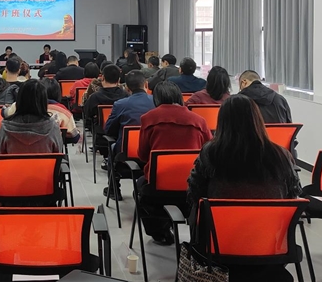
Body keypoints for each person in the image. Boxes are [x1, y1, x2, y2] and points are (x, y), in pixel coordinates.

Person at [187, 95, 300, 281]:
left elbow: (195, 192)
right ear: (257, 120)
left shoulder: (211, 153)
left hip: (218, 246)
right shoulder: (281, 155)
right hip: (269, 245)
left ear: (222, 122)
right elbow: (292, 195)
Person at [136, 81, 212, 245]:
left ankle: (161, 233)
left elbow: (142, 155)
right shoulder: (199, 121)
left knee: (141, 186)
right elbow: (209, 153)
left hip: (157, 186)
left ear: (156, 99)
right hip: (193, 186)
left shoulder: (148, 119)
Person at [103, 71, 155, 199]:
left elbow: (108, 129)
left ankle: (114, 190)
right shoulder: (156, 102)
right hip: (152, 153)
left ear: (126, 88)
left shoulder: (120, 104)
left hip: (126, 154)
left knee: (112, 147)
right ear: (146, 84)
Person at [0, 80, 63, 154]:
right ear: (44, 101)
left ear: (19, 100)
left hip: (14, 161)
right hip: (44, 162)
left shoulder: (5, 127)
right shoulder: (53, 127)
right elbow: (58, 154)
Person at [40, 78, 80, 143]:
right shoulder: (63, 112)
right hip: (55, 146)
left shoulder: (31, 110)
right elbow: (74, 137)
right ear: (58, 93)